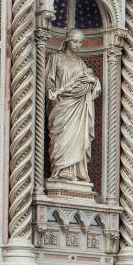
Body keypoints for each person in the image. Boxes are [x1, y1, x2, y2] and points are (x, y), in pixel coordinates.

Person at [45, 28, 101, 182]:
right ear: (67, 40)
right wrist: (51, 91)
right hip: (61, 105)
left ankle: (75, 172)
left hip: (78, 107)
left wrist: (94, 82)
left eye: (80, 42)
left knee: (77, 139)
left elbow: (91, 82)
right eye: (75, 41)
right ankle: (60, 169)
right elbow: (48, 79)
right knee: (61, 139)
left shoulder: (81, 63)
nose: (77, 45)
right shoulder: (56, 58)